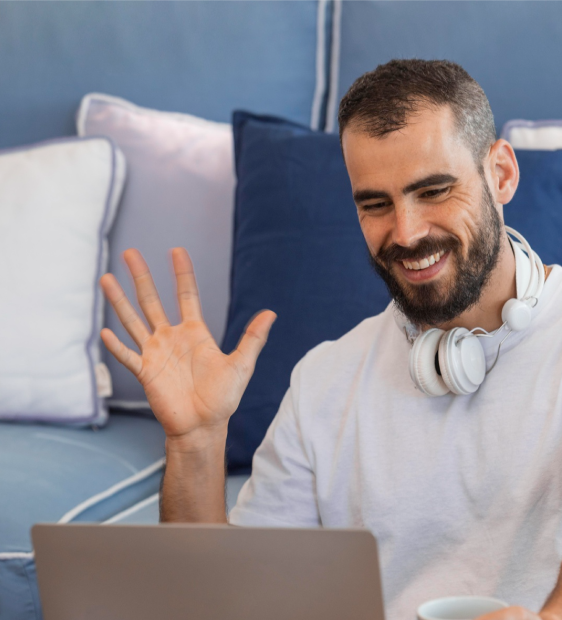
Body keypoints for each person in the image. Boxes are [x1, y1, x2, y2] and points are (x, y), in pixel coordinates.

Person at [99, 59, 562, 620]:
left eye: (434, 190)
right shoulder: (326, 381)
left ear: (502, 175)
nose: (406, 232)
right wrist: (196, 440)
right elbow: (220, 606)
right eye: (375, 204)